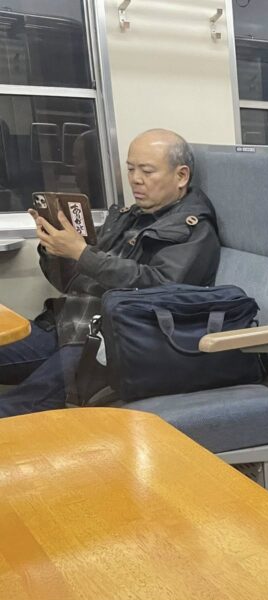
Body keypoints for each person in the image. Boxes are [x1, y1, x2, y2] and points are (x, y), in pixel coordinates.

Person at [0, 129, 220, 417]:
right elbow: (71, 282)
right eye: (130, 169)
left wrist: (82, 253)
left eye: (147, 171)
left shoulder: (194, 231)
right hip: (65, 324)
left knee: (11, 408)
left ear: (181, 176)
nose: (135, 179)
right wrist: (54, 249)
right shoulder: (128, 217)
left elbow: (161, 287)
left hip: (107, 345)